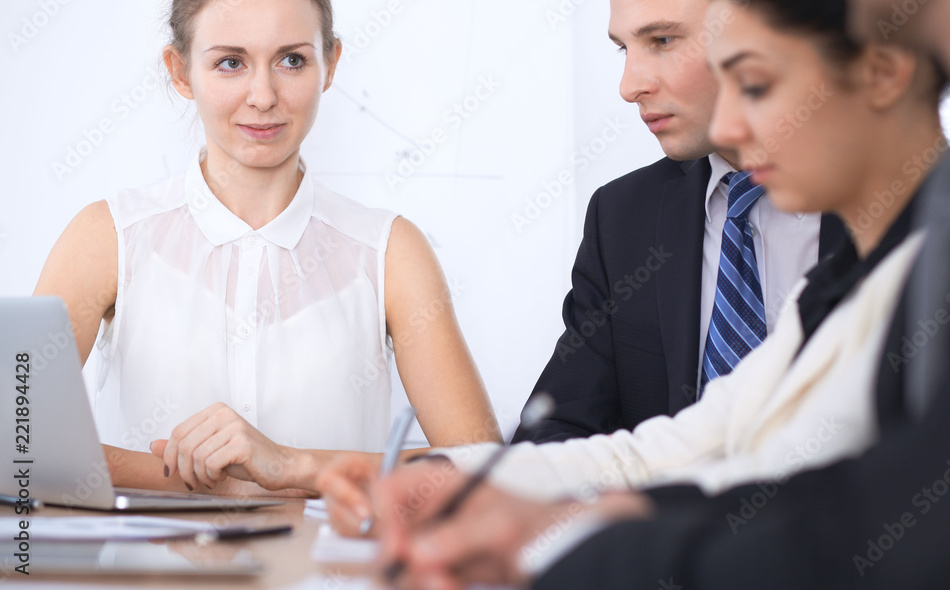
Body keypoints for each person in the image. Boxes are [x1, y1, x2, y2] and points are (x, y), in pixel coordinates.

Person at [368, 0, 950, 587]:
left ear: (882, 73)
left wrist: (565, 539)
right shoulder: (838, 282)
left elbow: (846, 516)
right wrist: (455, 478)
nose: (728, 122)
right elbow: (696, 445)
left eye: (753, 83)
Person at [318, 0, 846, 533]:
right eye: (623, 48)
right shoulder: (623, 218)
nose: (629, 85)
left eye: (662, 40)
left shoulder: (901, 226)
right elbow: (584, 437)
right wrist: (444, 477)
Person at [32, 0, 501, 496]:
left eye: (292, 60)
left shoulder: (389, 251)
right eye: (230, 63)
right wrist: (223, 484)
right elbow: (16, 443)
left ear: (330, 63)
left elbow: (481, 465)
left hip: (328, 573)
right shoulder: (109, 236)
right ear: (180, 71)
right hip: (152, 575)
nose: (263, 96)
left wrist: (289, 465)